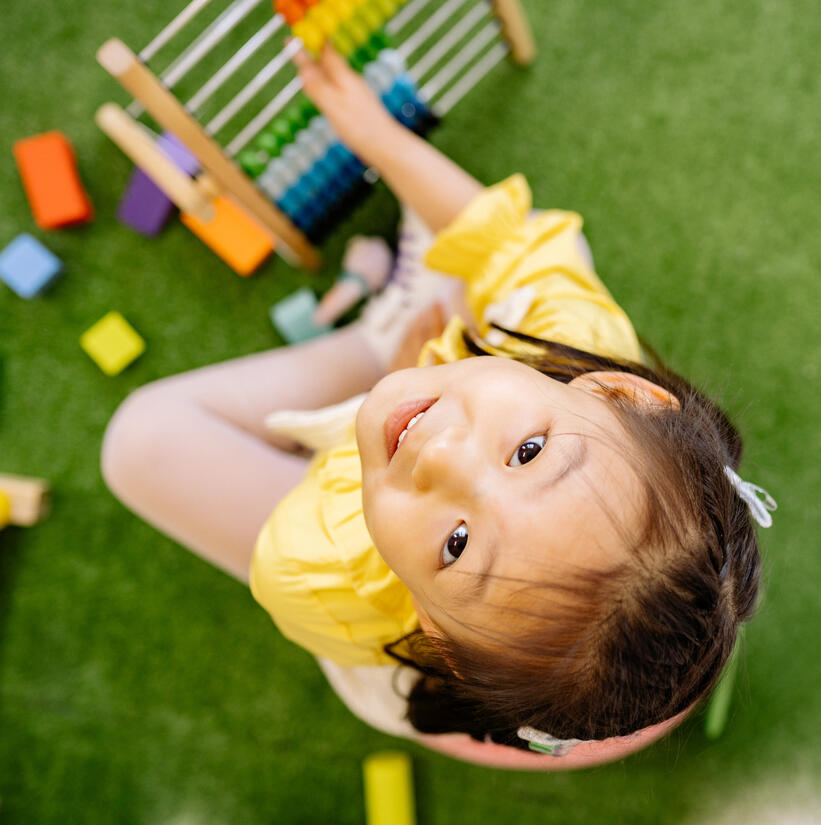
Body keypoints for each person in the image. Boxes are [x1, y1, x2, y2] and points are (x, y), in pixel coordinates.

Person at [101, 44, 775, 764]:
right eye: (528, 451)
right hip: (556, 680)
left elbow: (359, 487)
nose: (440, 455)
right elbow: (511, 242)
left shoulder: (322, 561)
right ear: (621, 391)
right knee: (512, 246)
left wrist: (392, 374)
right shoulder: (584, 339)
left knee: (140, 439)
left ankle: (378, 335)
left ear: (433, 627)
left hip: (389, 604)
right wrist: (376, 136)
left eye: (457, 544)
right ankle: (428, 330)